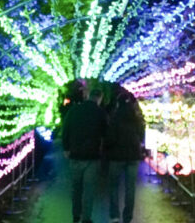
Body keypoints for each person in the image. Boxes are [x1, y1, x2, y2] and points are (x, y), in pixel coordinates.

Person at [61, 84, 107, 223]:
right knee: (89, 189)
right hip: (92, 156)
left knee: (76, 188)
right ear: (99, 98)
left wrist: (66, 148)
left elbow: (66, 130)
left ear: (88, 96)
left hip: (75, 154)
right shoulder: (100, 112)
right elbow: (105, 133)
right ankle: (86, 218)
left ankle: (76, 215)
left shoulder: (74, 110)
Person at [105, 94, 145, 223]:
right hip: (133, 157)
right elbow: (141, 136)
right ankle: (127, 216)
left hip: (117, 157)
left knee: (114, 186)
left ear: (119, 104)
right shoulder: (137, 119)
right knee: (130, 188)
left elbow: (110, 139)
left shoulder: (115, 118)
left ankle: (114, 215)